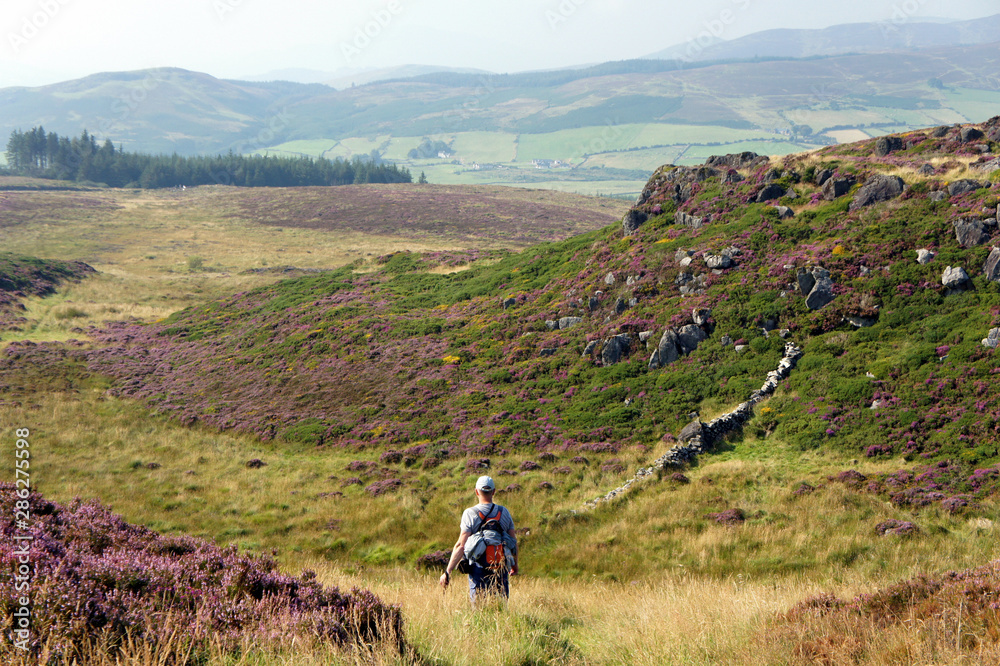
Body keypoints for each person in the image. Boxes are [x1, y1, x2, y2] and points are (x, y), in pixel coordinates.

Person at [439, 475, 518, 602]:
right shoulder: (504, 512)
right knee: (500, 609)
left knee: (479, 610)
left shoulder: (470, 514)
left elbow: (461, 545)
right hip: (500, 568)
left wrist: (448, 571)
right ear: (493, 491)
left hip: (478, 569)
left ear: (476, 491)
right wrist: (514, 565)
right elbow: (513, 542)